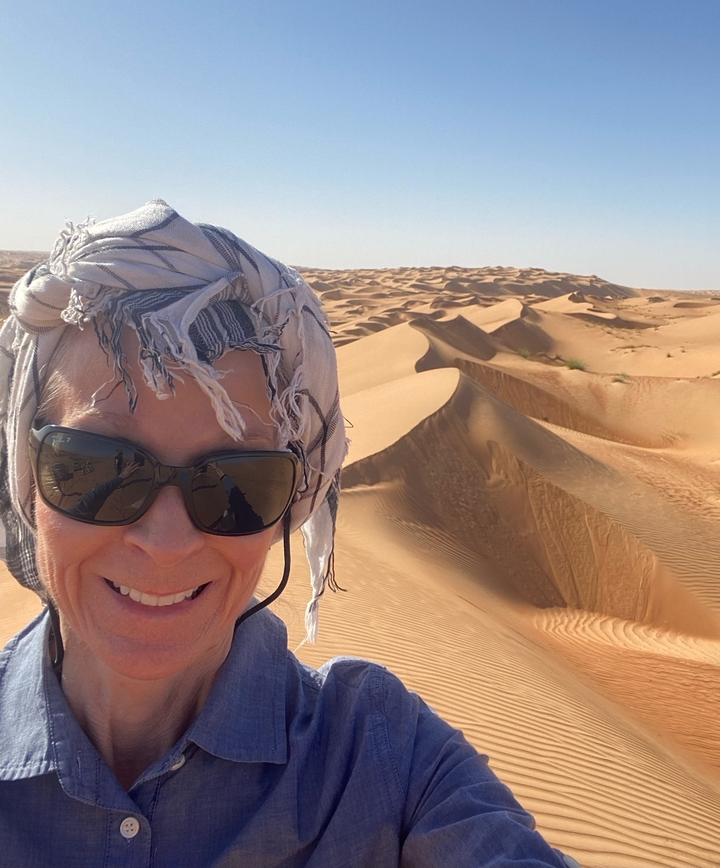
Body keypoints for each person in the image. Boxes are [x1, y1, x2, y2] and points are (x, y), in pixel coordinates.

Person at [0, 200, 580, 867]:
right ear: (26, 473)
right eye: (96, 468)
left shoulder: (381, 755)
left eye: (238, 481)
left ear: (290, 504)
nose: (166, 541)